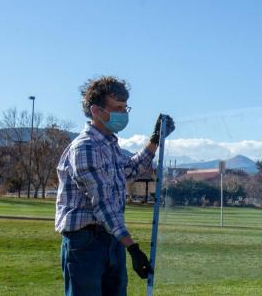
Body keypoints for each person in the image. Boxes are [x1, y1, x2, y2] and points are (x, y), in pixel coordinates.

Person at [55, 76, 175, 295]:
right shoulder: (85, 148)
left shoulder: (110, 145)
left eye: (125, 108)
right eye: (117, 108)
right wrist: (132, 247)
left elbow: (127, 171)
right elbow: (104, 204)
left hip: (111, 239)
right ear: (96, 111)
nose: (124, 114)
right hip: (86, 243)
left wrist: (155, 140)